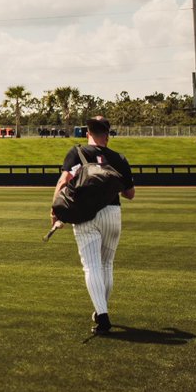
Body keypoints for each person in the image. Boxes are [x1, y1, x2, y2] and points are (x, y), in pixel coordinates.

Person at [51, 116, 135, 335]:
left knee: (91, 266)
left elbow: (63, 182)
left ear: (87, 132)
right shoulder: (118, 158)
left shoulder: (78, 152)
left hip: (85, 214)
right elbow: (130, 194)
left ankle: (103, 316)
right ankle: (100, 311)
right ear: (107, 134)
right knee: (106, 265)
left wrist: (55, 211)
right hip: (112, 214)